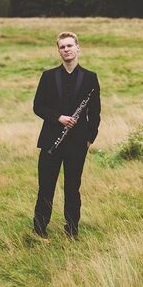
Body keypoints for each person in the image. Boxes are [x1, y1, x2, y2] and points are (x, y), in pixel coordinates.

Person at [32, 32, 101, 239]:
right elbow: (38, 107)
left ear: (78, 48)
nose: (66, 49)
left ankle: (72, 230)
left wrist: (89, 139)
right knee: (46, 188)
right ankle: (39, 230)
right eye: (62, 47)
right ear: (58, 50)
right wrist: (58, 118)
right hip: (50, 141)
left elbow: (95, 112)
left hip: (77, 143)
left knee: (72, 188)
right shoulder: (48, 76)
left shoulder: (90, 77)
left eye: (70, 45)